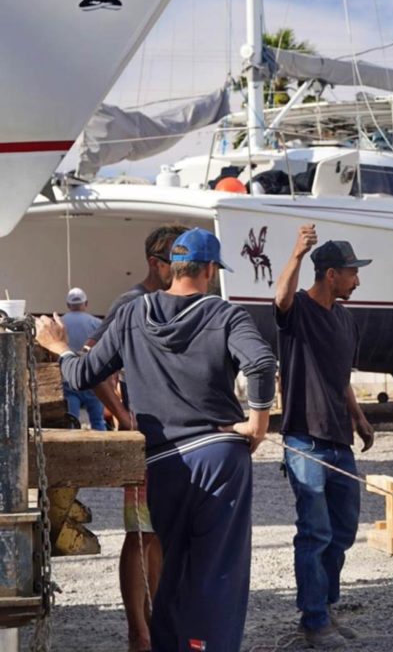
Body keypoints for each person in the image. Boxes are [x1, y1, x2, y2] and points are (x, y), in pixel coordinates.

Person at [36, 228, 276, 652]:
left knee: (172, 568)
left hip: (162, 462)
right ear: (208, 270)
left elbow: (81, 375)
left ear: (173, 267)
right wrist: (257, 424)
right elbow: (259, 363)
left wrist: (59, 347)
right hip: (219, 457)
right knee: (217, 571)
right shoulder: (225, 314)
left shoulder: (132, 313)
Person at [275, 224, 375, 649]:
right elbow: (278, 300)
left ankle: (326, 608)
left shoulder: (346, 319)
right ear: (331, 273)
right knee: (314, 532)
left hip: (339, 439)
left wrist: (359, 417)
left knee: (343, 531)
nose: (358, 279)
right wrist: (296, 254)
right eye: (352, 271)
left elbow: (342, 378)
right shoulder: (297, 310)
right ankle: (314, 621)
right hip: (305, 439)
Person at [86, 223, 186, 652]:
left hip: (176, 440)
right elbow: (93, 361)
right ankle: (138, 632)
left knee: (160, 533)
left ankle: (154, 619)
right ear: (155, 262)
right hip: (144, 441)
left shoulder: (179, 300)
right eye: (174, 262)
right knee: (140, 534)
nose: (181, 269)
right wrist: (123, 415)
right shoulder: (130, 303)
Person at [61, 287, 106, 430]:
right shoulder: (97, 324)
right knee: (98, 422)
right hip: (93, 380)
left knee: (71, 423)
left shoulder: (59, 324)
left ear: (68, 305)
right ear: (86, 303)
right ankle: (104, 451)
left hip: (68, 380)